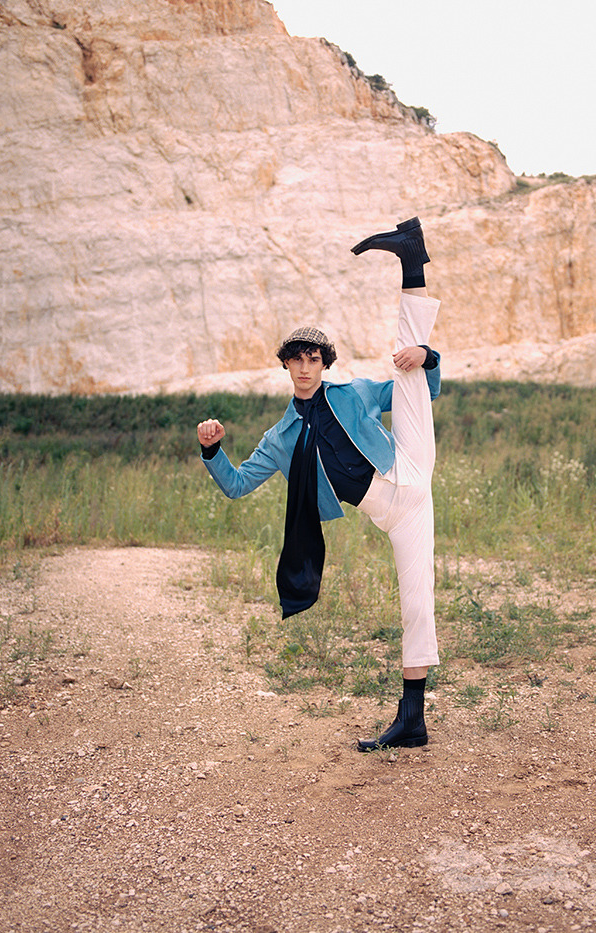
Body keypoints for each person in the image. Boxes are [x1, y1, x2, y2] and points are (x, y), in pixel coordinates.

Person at [196, 217, 441, 751]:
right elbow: (237, 486)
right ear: (285, 366)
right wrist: (212, 451)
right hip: (397, 512)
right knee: (416, 604)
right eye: (296, 360)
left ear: (322, 364)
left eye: (314, 359)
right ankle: (412, 719)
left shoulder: (350, 393)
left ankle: (410, 254)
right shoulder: (280, 438)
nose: (306, 367)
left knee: (409, 367)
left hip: (408, 460)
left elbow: (427, 391)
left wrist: (430, 362)